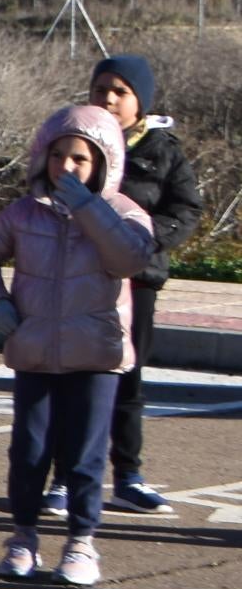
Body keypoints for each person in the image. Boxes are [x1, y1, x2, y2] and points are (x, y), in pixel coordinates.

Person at [0, 103, 156, 587]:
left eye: (80, 159)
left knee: (85, 455)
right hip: (36, 352)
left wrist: (90, 210)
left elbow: (130, 259)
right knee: (29, 450)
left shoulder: (126, 214)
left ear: (105, 164)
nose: (65, 167)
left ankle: (81, 543)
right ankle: (23, 536)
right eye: (57, 156)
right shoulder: (25, 214)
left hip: (97, 357)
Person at [89, 54, 203, 513]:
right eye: (101, 90)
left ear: (141, 100)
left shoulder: (164, 150)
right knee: (74, 379)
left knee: (128, 379)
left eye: (121, 91)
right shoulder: (77, 139)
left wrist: (148, 237)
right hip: (79, 276)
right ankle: (68, 476)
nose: (109, 99)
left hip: (137, 280)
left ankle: (129, 477)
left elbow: (186, 208)